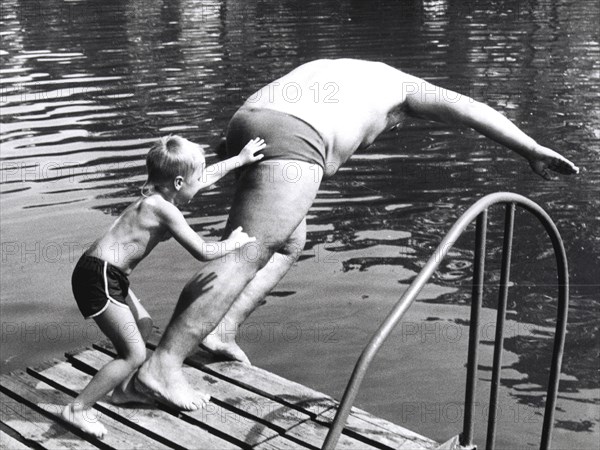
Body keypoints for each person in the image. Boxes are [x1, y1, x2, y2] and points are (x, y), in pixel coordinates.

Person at [137, 58, 579, 410]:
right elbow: (472, 111)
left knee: (289, 241)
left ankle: (221, 329)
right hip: (296, 138)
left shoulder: (345, 68)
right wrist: (531, 150)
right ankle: (163, 365)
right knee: (244, 254)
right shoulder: (407, 88)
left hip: (248, 121)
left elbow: (267, 112)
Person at [61, 135, 265, 438]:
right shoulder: (164, 210)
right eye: (196, 179)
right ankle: (77, 409)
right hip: (99, 276)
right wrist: (233, 243)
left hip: (105, 272)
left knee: (143, 325)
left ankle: (122, 391)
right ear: (179, 182)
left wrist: (241, 159)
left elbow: (205, 176)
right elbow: (201, 251)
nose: (203, 184)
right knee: (133, 354)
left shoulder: (157, 195)